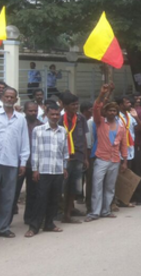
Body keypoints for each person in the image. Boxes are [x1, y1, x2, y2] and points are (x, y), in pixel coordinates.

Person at [0, 85, 30, 238]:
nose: (9, 99)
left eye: (12, 97)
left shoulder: (21, 119)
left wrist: (23, 162)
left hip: (12, 163)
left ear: (16, 99)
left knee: (8, 197)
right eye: (6, 96)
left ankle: (3, 228)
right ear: (2, 98)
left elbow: (24, 142)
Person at [86, 84, 127, 222]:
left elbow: (124, 145)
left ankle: (106, 210)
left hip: (115, 160)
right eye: (110, 110)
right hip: (102, 158)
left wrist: (125, 161)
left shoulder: (121, 127)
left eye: (114, 110)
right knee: (97, 186)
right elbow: (96, 107)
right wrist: (102, 94)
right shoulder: (100, 123)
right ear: (106, 112)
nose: (112, 112)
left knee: (110, 187)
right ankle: (95, 212)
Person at [26, 104, 68, 237]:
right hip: (43, 170)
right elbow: (35, 151)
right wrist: (34, 169)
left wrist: (64, 167)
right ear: (47, 115)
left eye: (57, 114)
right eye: (52, 115)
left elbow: (65, 152)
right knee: (40, 199)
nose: (55, 117)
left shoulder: (63, 131)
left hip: (58, 170)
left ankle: (49, 223)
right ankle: (34, 227)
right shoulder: (38, 130)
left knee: (54, 199)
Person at [59, 92, 89, 223]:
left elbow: (83, 139)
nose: (75, 107)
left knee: (74, 187)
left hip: (78, 156)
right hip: (64, 158)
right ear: (65, 106)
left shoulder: (81, 118)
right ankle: (60, 211)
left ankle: (68, 213)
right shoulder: (59, 120)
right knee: (62, 186)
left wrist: (85, 158)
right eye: (72, 105)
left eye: (77, 104)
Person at [11, 101, 41, 223]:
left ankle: (29, 218)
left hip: (34, 165)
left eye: (35, 111)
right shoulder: (18, 123)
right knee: (13, 192)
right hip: (19, 164)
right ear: (25, 111)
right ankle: (6, 220)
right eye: (30, 111)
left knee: (32, 193)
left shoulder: (41, 126)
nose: (33, 113)